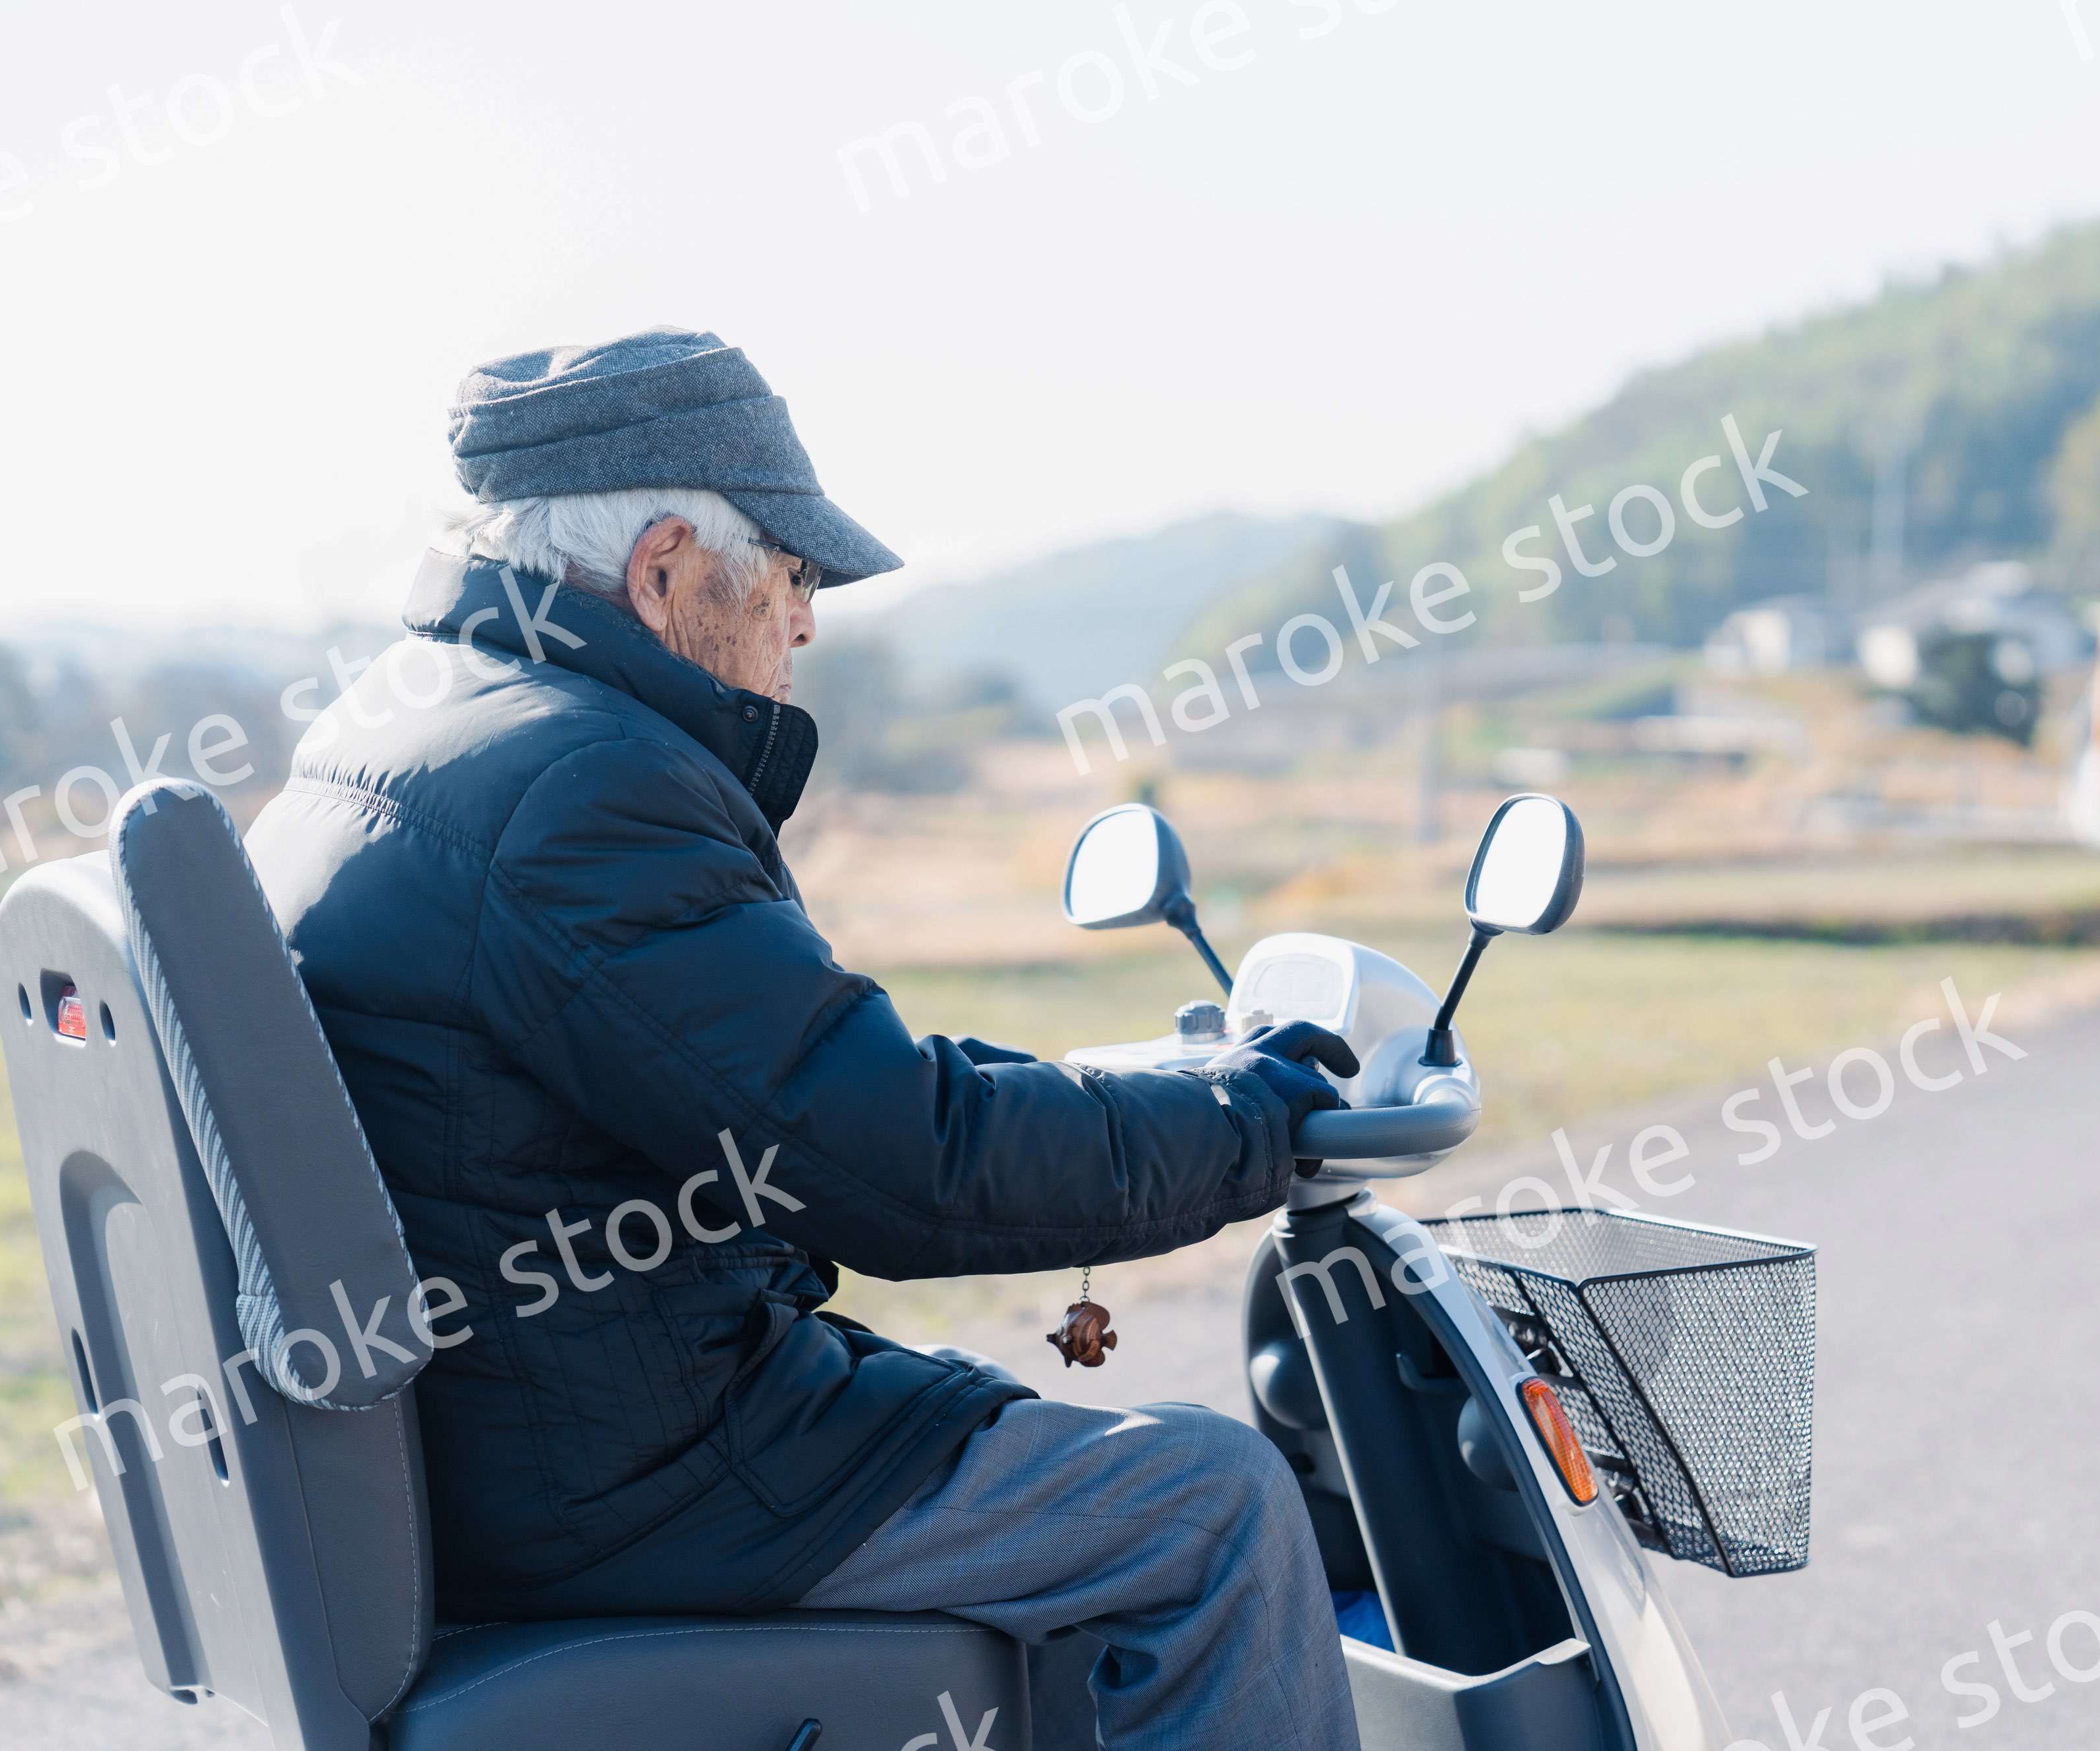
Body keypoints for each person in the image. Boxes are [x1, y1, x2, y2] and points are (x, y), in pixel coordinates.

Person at [244, 328, 1362, 1750]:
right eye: (790, 572)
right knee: (1206, 1502)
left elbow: (805, 1078)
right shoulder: (583, 786)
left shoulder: (416, 724)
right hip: (642, 1471)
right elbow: (894, 1162)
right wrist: (1250, 1121)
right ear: (661, 569)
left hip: (527, 1434)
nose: (808, 619)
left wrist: (1132, 1090)